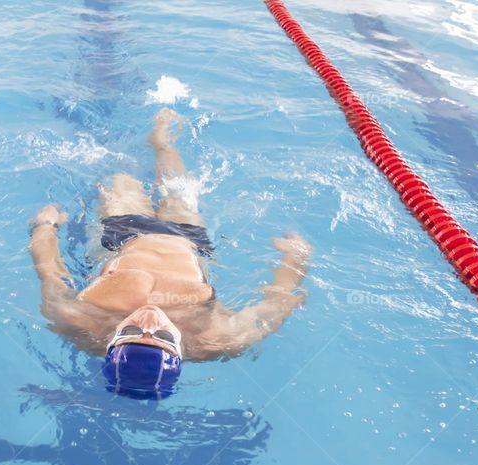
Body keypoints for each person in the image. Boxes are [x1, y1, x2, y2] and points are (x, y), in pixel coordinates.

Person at [28, 108, 313, 399]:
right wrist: (296, 259)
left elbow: (50, 272)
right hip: (187, 240)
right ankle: (162, 141)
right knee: (177, 189)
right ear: (180, 348)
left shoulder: (77, 320)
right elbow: (277, 303)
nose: (148, 321)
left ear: (111, 341)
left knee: (121, 176)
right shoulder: (219, 337)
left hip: (122, 235)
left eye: (129, 332)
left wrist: (44, 226)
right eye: (163, 335)